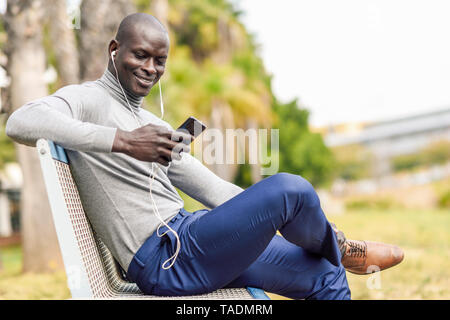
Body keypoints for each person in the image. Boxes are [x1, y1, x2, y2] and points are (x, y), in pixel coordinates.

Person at [6, 13, 404, 300]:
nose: (149, 68)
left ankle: (337, 253)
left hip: (195, 238)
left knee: (326, 275)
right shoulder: (88, 98)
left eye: (158, 60)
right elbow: (22, 121)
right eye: (140, 55)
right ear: (114, 50)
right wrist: (124, 142)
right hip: (166, 259)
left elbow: (213, 189)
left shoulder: (149, 121)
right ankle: (345, 246)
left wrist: (258, 217)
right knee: (291, 189)